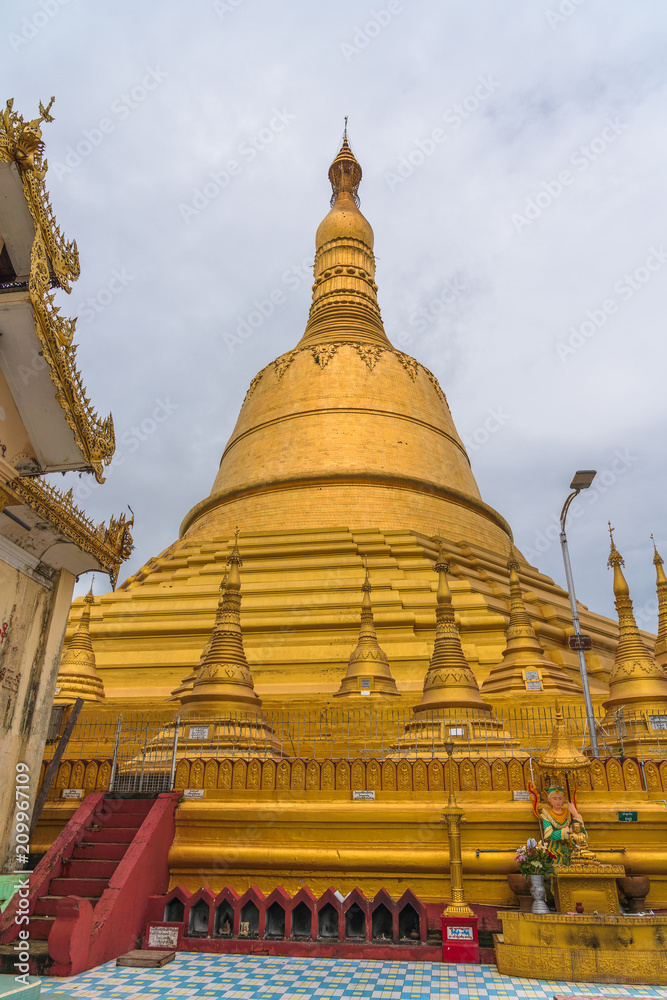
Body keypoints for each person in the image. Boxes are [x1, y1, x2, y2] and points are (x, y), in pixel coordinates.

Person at [539, 784, 585, 865]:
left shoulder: (568, 813)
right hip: (554, 849)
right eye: (555, 798)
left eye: (560, 798)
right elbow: (549, 834)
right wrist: (567, 832)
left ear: (564, 799)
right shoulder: (546, 813)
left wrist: (575, 814)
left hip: (570, 847)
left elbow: (581, 833)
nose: (558, 801)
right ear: (549, 799)